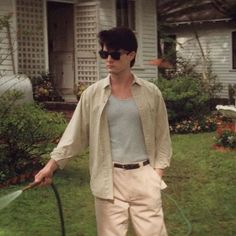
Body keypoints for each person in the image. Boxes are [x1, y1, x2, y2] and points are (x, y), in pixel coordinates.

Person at [34, 27, 172, 236]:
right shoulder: (92, 94)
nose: (108, 59)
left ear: (131, 55)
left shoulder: (151, 93)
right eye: (104, 54)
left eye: (115, 54)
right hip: (108, 179)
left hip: (145, 176)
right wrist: (50, 167)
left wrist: (157, 173)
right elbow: (74, 135)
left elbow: (163, 137)